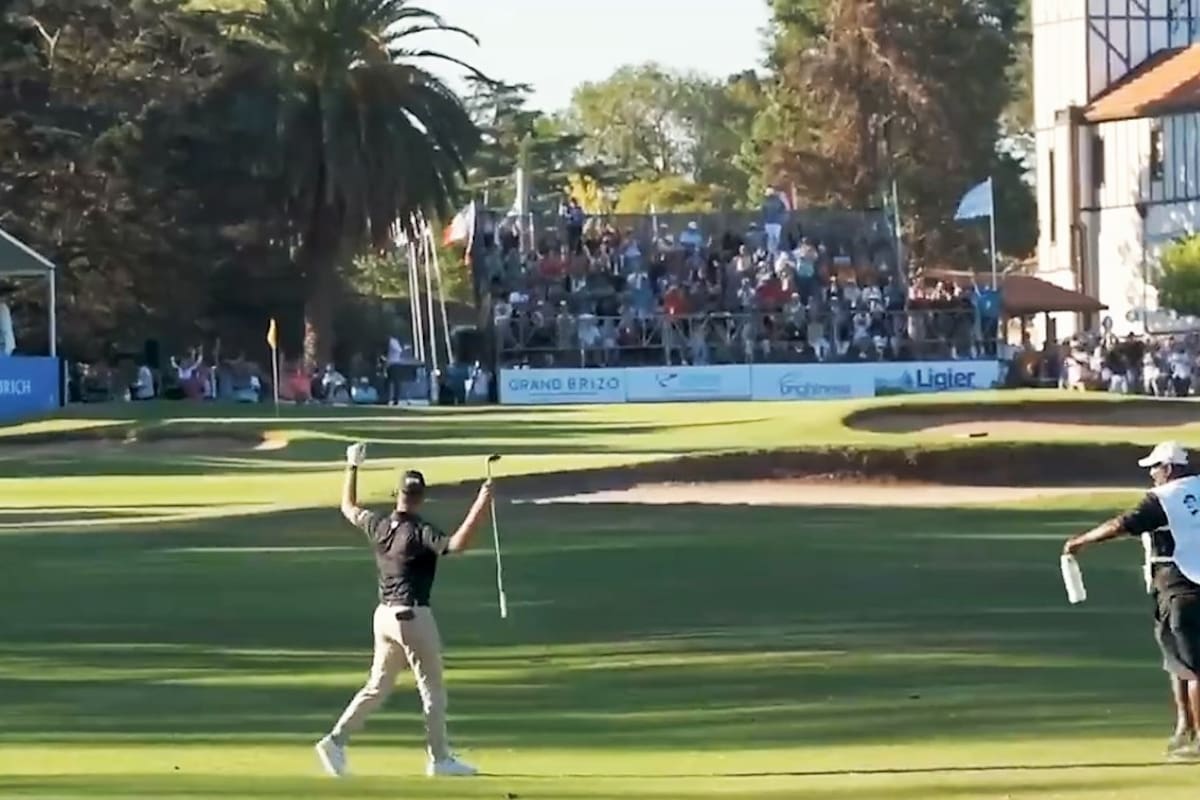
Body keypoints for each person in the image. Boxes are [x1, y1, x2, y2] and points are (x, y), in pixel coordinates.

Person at [315, 443, 494, 778]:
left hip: (384, 617)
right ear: (421, 497)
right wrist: (481, 504)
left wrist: (352, 465)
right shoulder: (421, 531)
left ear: (397, 495)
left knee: (377, 686)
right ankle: (439, 759)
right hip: (412, 616)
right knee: (432, 689)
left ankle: (335, 742)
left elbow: (348, 506)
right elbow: (457, 545)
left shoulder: (380, 525)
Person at [1063, 441, 1200, 760]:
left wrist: (1080, 542)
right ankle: (1185, 727)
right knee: (1179, 663)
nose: (1152, 474)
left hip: (1179, 587)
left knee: (1192, 668)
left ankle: (1197, 739)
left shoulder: (1165, 498)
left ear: (1169, 468)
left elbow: (1122, 525)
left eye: (1155, 468)